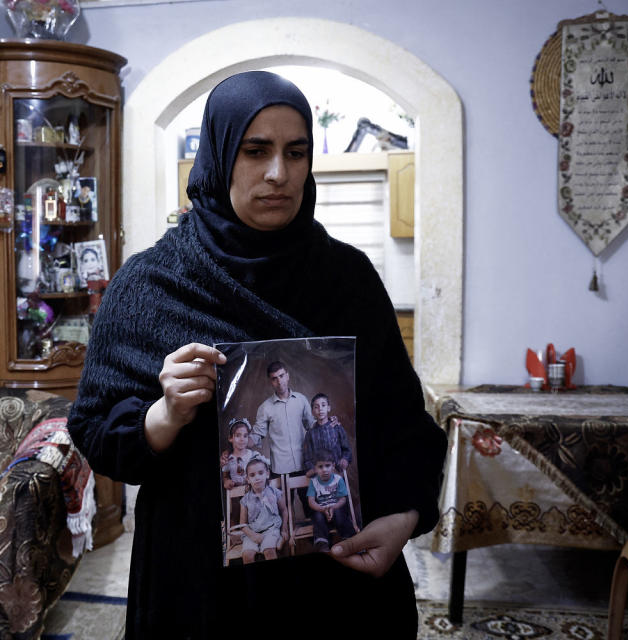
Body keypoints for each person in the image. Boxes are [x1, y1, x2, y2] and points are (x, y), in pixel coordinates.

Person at [67, 70, 447, 638]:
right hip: (199, 589)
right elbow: (96, 433)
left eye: (296, 153)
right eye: (256, 150)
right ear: (219, 155)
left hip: (334, 580)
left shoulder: (348, 279)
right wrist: (163, 415)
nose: (279, 174)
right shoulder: (149, 285)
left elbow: (402, 423)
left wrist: (404, 516)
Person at [250, 360, 313, 475]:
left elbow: (312, 426)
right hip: (280, 468)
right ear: (270, 382)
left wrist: (329, 423)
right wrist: (236, 446)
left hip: (304, 462)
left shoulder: (301, 400)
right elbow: (257, 434)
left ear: (287, 376)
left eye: (281, 376)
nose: (279, 382)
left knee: (307, 493)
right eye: (274, 378)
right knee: (282, 494)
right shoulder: (265, 407)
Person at [307, 448, 358, 553]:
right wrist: (321, 509)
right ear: (315, 469)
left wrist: (333, 507)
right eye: (320, 466)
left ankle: (348, 538)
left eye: (327, 465)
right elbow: (311, 501)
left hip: (337, 508)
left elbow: (343, 499)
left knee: (340, 512)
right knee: (316, 515)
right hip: (322, 511)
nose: (324, 469)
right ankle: (322, 542)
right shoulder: (314, 482)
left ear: (333, 466)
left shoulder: (338, 479)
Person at [238, 458, 288, 564]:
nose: (257, 477)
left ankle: (278, 541)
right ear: (248, 479)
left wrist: (284, 529)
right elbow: (242, 525)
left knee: (269, 551)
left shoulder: (275, 493)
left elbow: (284, 511)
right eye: (252, 475)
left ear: (267, 474)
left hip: (271, 529)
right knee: (247, 555)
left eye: (260, 473)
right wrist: (252, 535)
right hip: (252, 532)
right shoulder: (245, 500)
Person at [302, 392, 352, 476]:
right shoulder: (310, 434)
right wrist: (313, 469)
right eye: (316, 407)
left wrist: (345, 459)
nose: (320, 409)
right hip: (318, 478)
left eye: (323, 405)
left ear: (328, 408)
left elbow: (346, 449)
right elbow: (307, 458)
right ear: (313, 412)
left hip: (338, 474)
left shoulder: (337, 427)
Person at [220, 418, 263, 489]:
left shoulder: (253, 456)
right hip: (238, 493)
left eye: (245, 436)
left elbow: (261, 473)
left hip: (255, 490)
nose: (242, 439)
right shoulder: (228, 459)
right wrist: (227, 481)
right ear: (230, 438)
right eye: (238, 435)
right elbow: (225, 476)